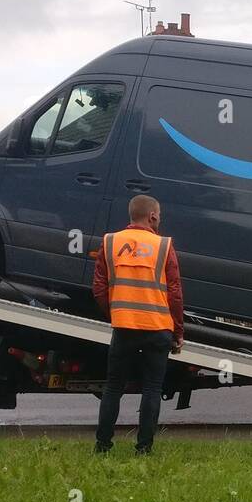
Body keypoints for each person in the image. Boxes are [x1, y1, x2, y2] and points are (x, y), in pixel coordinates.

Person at [92, 195, 184, 455]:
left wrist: (115, 313)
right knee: (152, 388)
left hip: (124, 327)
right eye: (160, 215)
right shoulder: (163, 245)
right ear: (153, 216)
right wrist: (178, 330)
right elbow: (175, 292)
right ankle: (144, 449)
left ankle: (103, 446)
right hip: (157, 327)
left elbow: (99, 287)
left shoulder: (110, 242)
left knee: (113, 387)